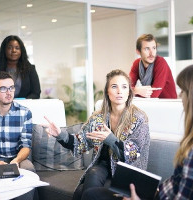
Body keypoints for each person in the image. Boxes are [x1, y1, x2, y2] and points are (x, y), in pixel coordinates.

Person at [82, 64, 193, 200]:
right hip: (158, 194)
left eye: (184, 91)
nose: (181, 96)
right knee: (90, 191)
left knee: (91, 195)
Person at [44, 69, 150, 200]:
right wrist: (60, 134)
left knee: (81, 192)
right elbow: (80, 143)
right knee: (93, 173)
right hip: (103, 166)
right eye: (114, 86)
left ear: (129, 91)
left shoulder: (139, 119)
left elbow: (133, 153)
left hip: (127, 170)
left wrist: (110, 139)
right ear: (107, 91)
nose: (119, 91)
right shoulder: (98, 117)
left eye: (124, 87)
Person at [0, 35, 41, 100]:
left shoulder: (30, 68)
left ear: (21, 51)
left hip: (24, 107)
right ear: (4, 50)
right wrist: (4, 101)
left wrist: (23, 102)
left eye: (17, 48)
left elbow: (36, 93)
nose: (14, 50)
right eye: (10, 48)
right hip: (1, 107)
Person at [129, 34, 177, 98]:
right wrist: (136, 90)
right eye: (147, 49)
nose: (152, 53)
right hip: (151, 103)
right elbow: (126, 87)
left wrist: (135, 91)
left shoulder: (160, 62)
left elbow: (154, 94)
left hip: (168, 103)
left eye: (154, 48)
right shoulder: (136, 64)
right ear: (138, 52)